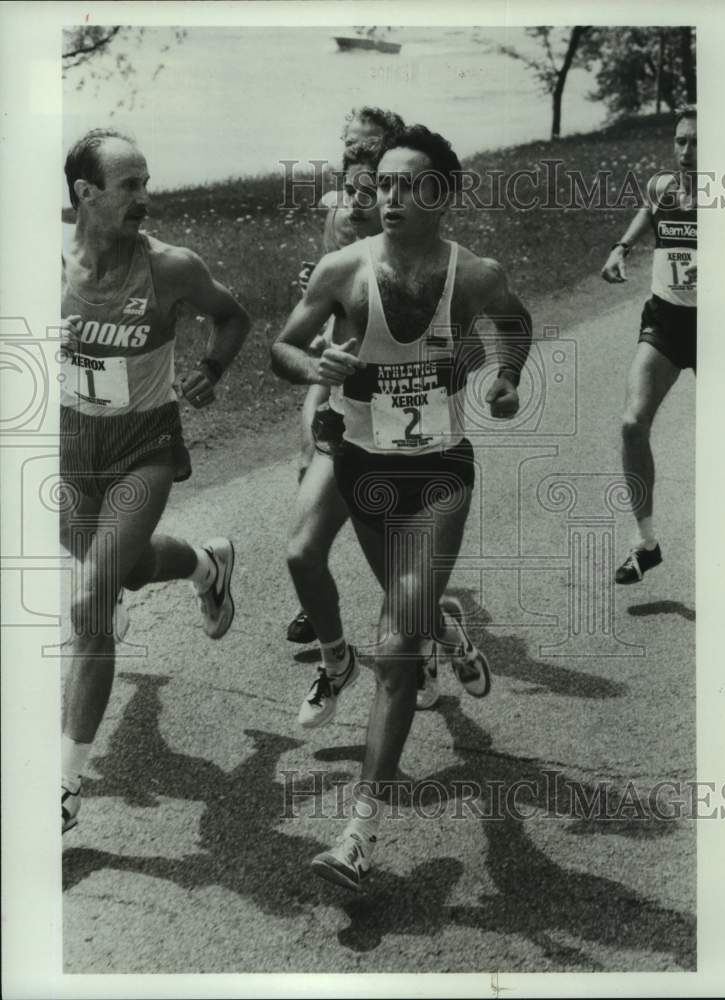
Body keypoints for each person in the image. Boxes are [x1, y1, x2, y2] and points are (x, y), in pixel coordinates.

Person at [271, 124, 532, 889]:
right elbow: (281, 346)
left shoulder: (475, 274)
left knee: (396, 646)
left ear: (442, 196)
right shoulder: (343, 269)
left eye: (408, 184)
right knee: (302, 555)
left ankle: (357, 834)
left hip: (435, 476)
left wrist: (504, 377)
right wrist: (312, 362)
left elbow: (511, 325)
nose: (387, 197)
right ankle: (390, 640)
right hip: (354, 459)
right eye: (380, 184)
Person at [60, 129, 251, 833]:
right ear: (86, 194)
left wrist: (214, 367)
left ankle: (63, 792)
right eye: (129, 186)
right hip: (65, 450)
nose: (146, 197)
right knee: (131, 572)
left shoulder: (170, 268)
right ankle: (207, 565)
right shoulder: (38, 256)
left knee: (89, 604)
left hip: (143, 446)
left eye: (147, 182)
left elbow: (232, 316)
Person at [287, 107, 404, 645]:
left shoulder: (394, 203)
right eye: (347, 142)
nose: (351, 149)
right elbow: (328, 270)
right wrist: (315, 280)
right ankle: (317, 594)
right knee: (312, 447)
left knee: (376, 506)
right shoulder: (338, 204)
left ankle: (412, 616)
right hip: (335, 349)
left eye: (364, 143)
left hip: (384, 361)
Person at [601, 107, 697, 584]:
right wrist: (622, 247)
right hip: (667, 321)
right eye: (680, 141)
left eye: (696, 143)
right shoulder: (665, 185)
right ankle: (647, 543)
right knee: (632, 424)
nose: (685, 153)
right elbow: (649, 206)